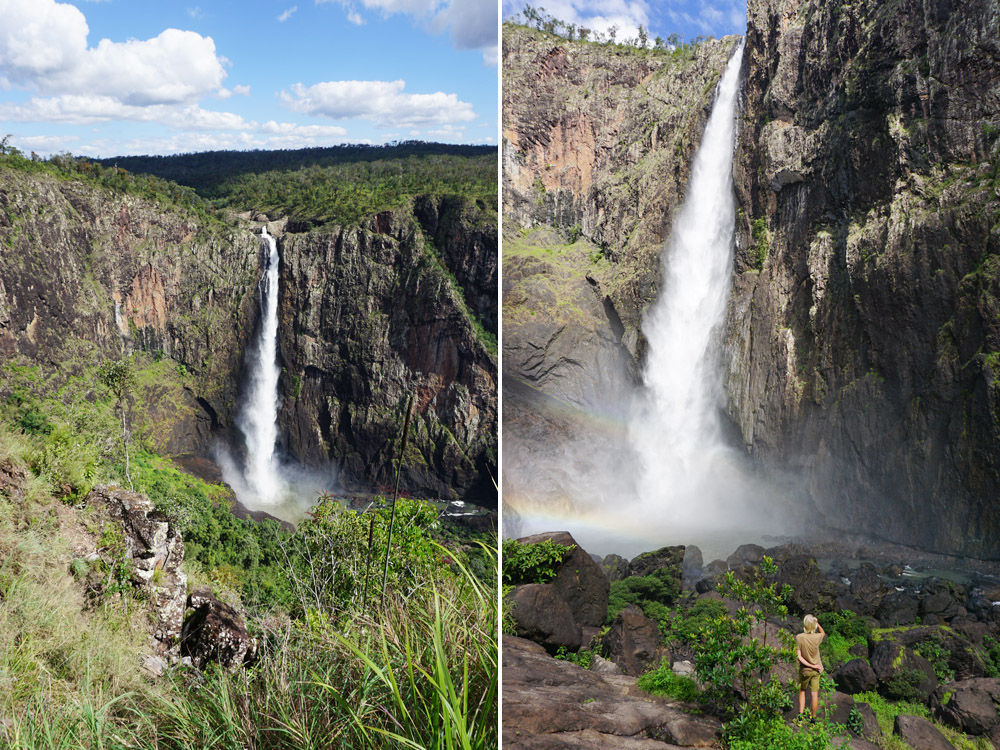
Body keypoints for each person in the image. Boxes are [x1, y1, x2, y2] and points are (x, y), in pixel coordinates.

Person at [795, 614, 825, 717]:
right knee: (814, 694)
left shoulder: (799, 637)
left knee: (802, 691)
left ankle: (800, 717)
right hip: (816, 670)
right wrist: (817, 622)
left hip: (805, 670)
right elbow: (823, 633)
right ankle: (813, 719)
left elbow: (799, 657)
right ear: (814, 625)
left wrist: (810, 666)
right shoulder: (817, 637)